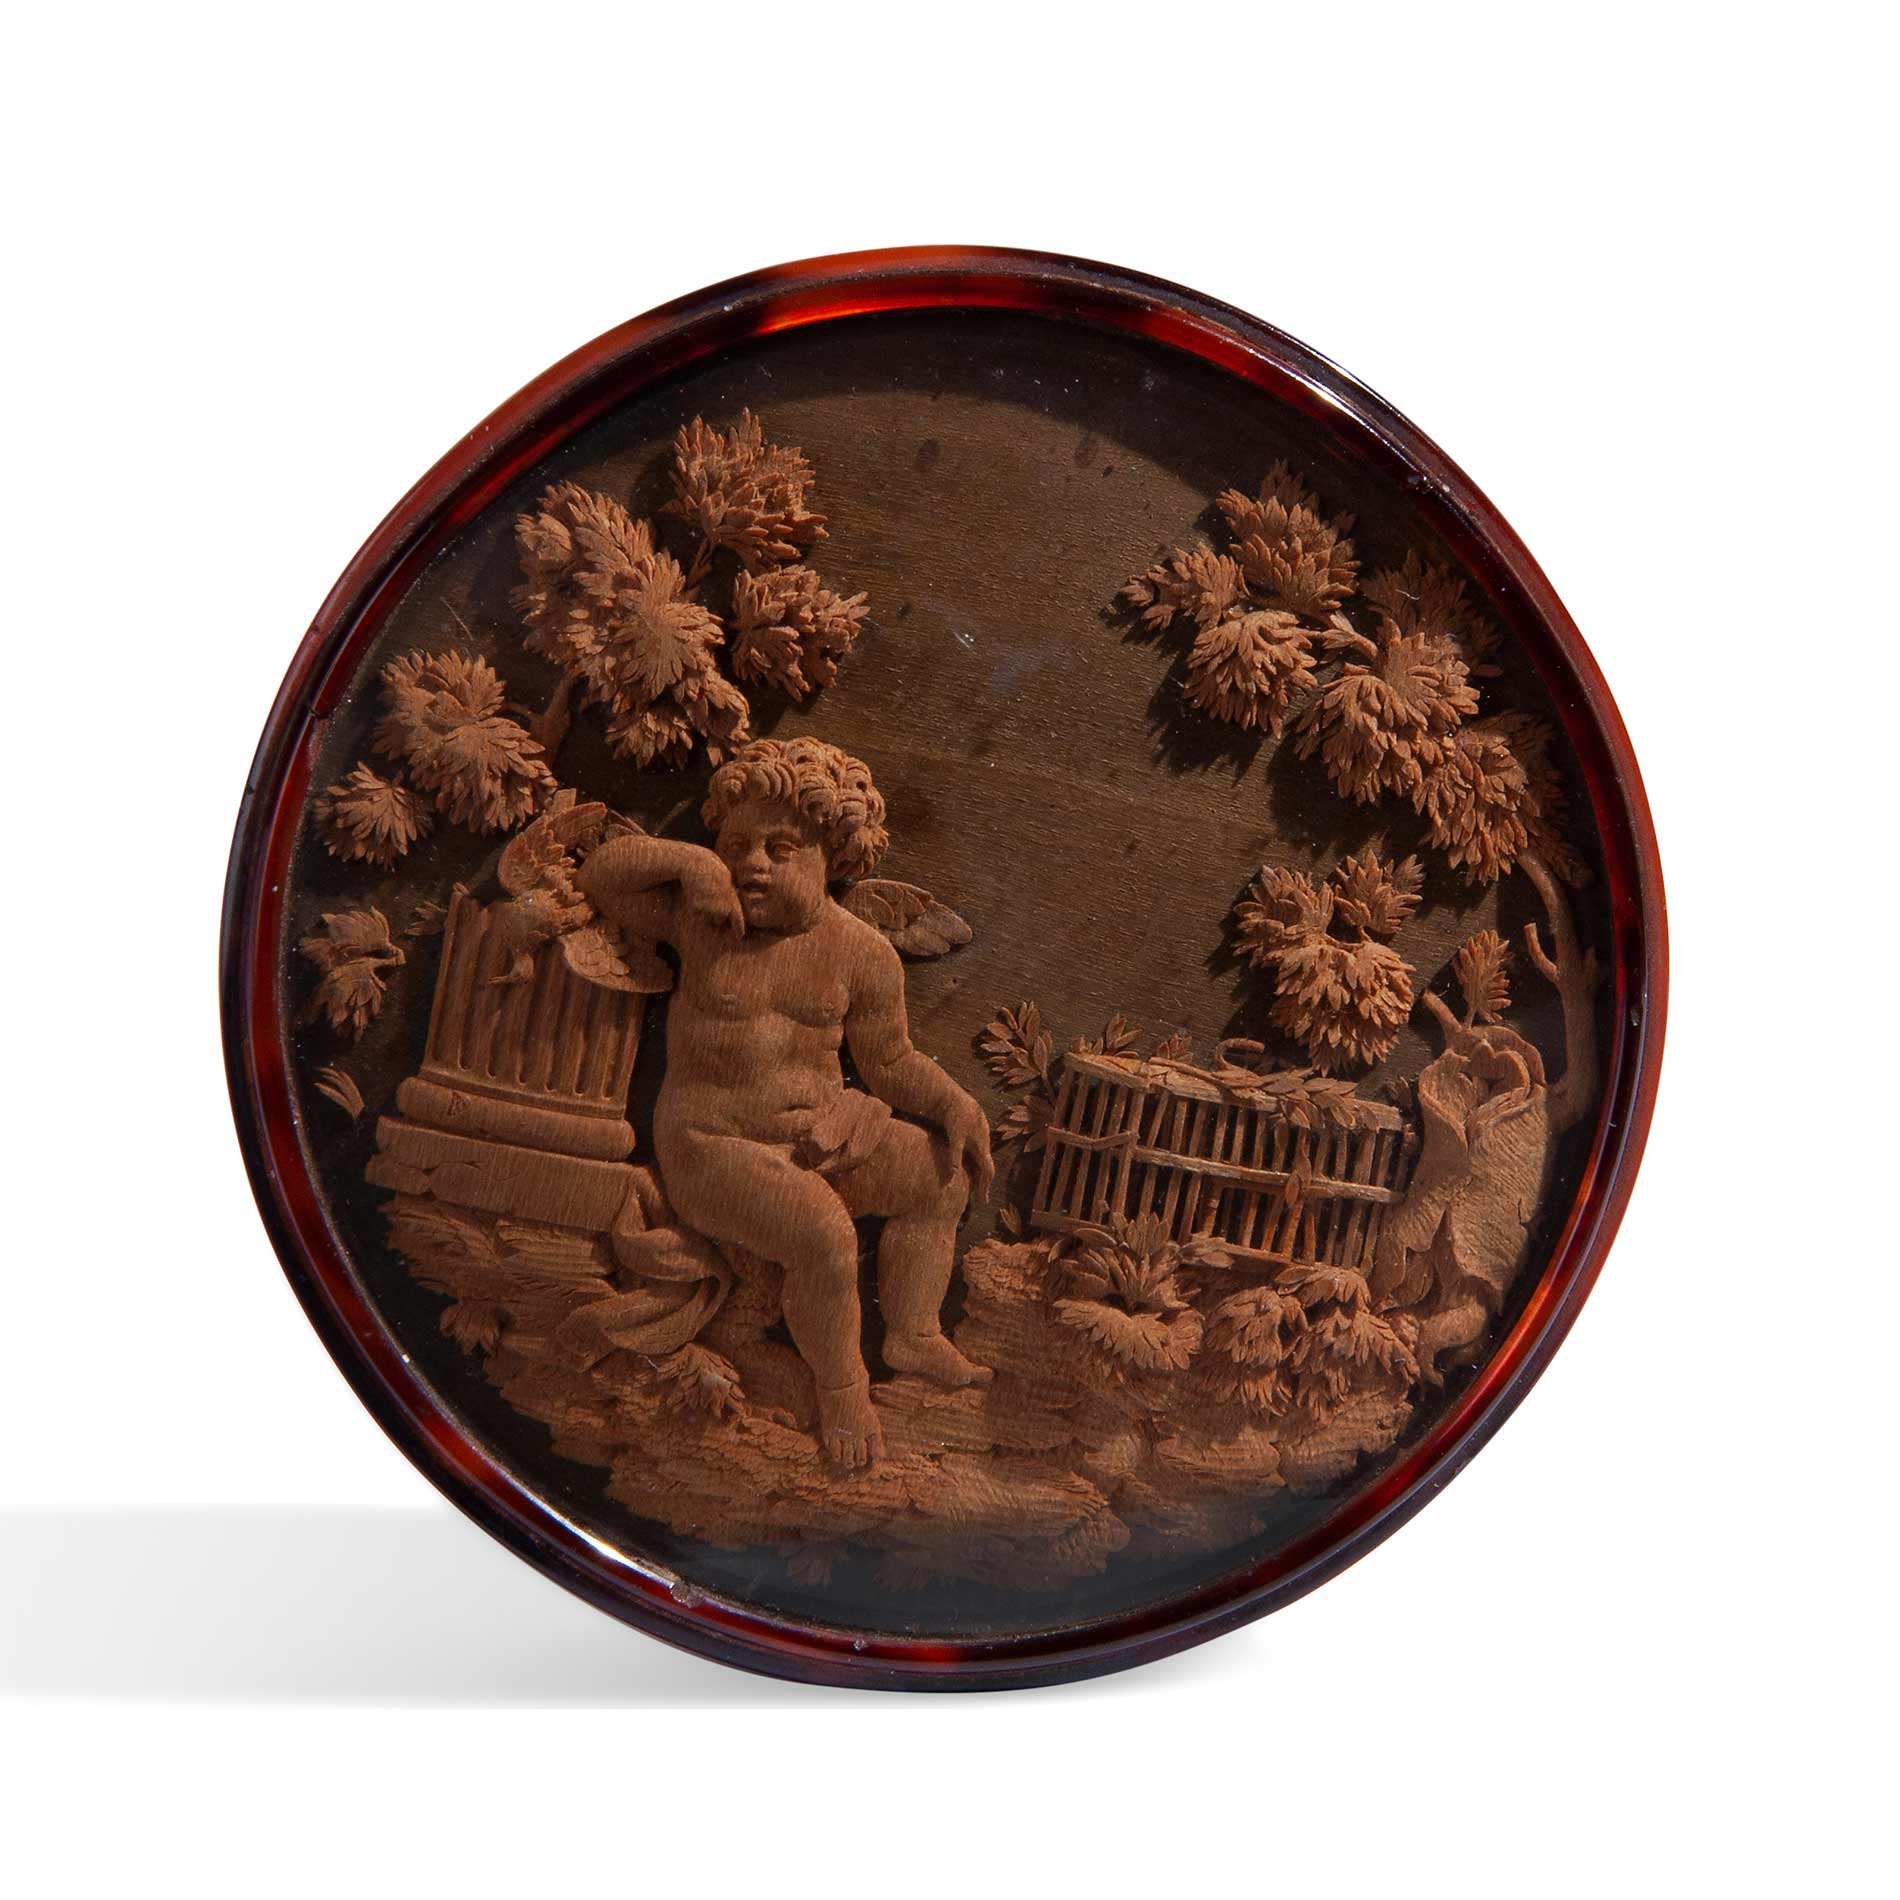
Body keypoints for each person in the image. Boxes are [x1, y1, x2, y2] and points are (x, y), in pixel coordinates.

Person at [579, 737, 993, 1469]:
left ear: (833, 858)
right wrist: (691, 864)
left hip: (816, 1141)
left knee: (940, 1176)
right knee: (823, 1235)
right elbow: (603, 877)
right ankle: (842, 1389)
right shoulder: (704, 923)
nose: (752, 865)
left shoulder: (864, 953)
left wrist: (956, 1104)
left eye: (780, 848)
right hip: (712, 1148)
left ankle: (913, 1333)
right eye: (735, 846)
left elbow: (890, 1063)